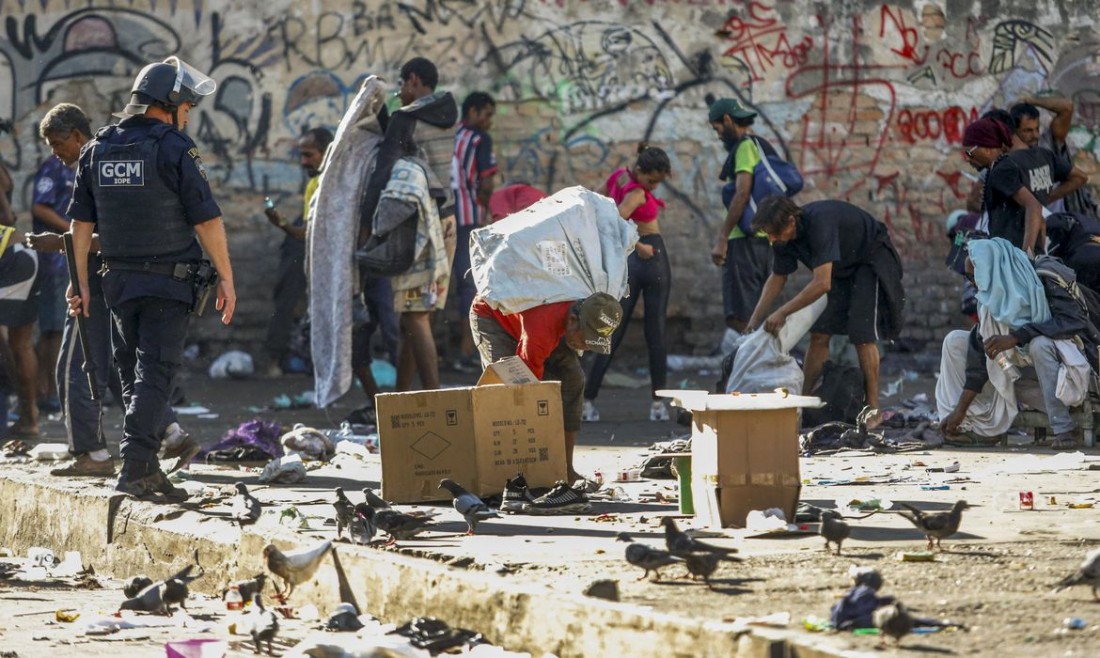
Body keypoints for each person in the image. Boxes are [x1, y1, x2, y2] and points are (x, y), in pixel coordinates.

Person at [68, 56, 236, 502]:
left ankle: (144, 466)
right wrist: (226, 277)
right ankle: (137, 465)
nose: (188, 116)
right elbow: (207, 222)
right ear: (172, 103)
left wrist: (80, 282)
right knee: (154, 374)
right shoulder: (175, 148)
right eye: (187, 107)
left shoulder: (97, 148)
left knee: (132, 375)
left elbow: (80, 226)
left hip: (118, 282)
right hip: (167, 283)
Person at [25, 231, 196, 476]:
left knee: (77, 367)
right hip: (127, 282)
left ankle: (92, 454)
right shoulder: (152, 194)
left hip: (100, 283)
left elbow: (116, 235)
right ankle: (171, 433)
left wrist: (63, 243)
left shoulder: (105, 191)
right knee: (121, 368)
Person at [746, 195, 905, 428]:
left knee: (862, 334)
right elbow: (778, 277)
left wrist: (782, 312)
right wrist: (754, 320)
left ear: (791, 221)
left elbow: (822, 283)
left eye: (774, 233)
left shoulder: (821, 223)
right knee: (819, 334)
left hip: (870, 260)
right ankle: (803, 401)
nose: (771, 239)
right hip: (840, 270)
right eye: (767, 234)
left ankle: (873, 408)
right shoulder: (782, 239)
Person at [937, 239, 1098, 449]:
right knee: (956, 342)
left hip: (1074, 367)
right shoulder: (990, 301)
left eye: (971, 276)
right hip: (1031, 377)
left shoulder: (1044, 277)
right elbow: (979, 359)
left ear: (990, 269)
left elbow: (1072, 320)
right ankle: (971, 427)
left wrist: (1018, 336)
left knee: (1039, 345)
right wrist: (959, 410)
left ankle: (1064, 429)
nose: (970, 282)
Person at [360, 57, 458, 392]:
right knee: (415, 318)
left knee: (415, 317)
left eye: (402, 85)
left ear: (413, 80)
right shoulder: (447, 114)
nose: (400, 92)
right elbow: (409, 144)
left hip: (417, 227)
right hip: (448, 222)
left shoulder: (407, 118)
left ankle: (435, 400)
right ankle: (402, 400)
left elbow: (383, 172)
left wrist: (367, 229)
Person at [471, 292, 623, 483]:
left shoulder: (580, 305)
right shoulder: (541, 332)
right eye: (585, 340)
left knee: (573, 380)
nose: (584, 348)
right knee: (507, 392)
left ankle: (565, 469)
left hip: (539, 319)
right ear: (573, 320)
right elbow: (527, 391)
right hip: (493, 316)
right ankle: (509, 477)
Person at [583, 146, 672, 423]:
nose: (653, 187)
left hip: (627, 258)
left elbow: (597, 199)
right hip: (648, 255)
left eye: (657, 183)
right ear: (642, 171)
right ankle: (658, 404)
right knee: (655, 332)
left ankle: (587, 400)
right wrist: (640, 245)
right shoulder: (636, 192)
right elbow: (616, 219)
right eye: (651, 181)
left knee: (611, 329)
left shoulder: (619, 177)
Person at [32, 104, 92, 418]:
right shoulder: (54, 168)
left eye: (58, 143)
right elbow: (39, 207)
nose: (55, 151)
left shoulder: (92, 164)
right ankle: (46, 390)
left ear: (78, 136)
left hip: (81, 257)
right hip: (57, 263)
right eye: (51, 145)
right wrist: (72, 232)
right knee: (55, 329)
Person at [261, 127, 333, 377]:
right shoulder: (315, 182)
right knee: (287, 299)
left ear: (326, 153)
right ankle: (277, 358)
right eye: (301, 155)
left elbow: (309, 233)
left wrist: (281, 224)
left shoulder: (330, 184)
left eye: (309, 155)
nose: (303, 161)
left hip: (318, 248)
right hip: (307, 247)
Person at [961, 117, 1085, 255]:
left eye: (969, 152)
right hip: (1019, 252)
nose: (967, 158)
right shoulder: (1010, 164)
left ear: (987, 148)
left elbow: (1033, 206)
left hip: (1013, 254)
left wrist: (1026, 255)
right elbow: (1037, 213)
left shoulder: (1002, 169)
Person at [708, 97, 775, 333]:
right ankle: (759, 365)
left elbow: (742, 193)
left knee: (741, 317)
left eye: (717, 128)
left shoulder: (745, 147)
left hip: (744, 242)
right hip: (763, 240)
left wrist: (723, 237)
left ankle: (755, 367)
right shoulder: (760, 145)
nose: (718, 135)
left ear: (727, 120)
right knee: (754, 313)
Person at [450, 91, 498, 372]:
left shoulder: (451, 135)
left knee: (445, 287)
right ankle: (467, 352)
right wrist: (483, 210)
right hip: (469, 221)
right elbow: (487, 183)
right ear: (474, 112)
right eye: (487, 115)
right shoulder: (480, 139)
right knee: (471, 285)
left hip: (444, 220)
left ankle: (447, 350)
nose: (489, 122)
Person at [1012, 97, 1099, 218]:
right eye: (1027, 130)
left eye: (1037, 129)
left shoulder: (1047, 144)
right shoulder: (1007, 160)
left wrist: (1031, 101)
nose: (1035, 135)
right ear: (1014, 131)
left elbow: (1067, 107)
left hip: (1070, 220)